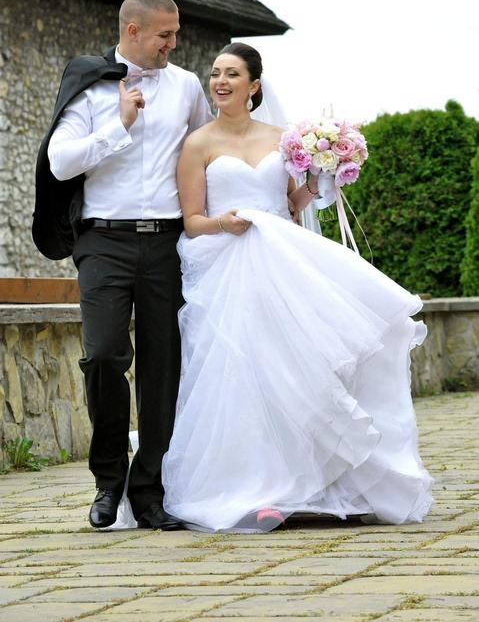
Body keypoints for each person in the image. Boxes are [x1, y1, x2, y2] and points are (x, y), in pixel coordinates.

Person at [156, 42, 433, 532]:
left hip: (283, 262)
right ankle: (259, 488)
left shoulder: (282, 139)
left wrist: (323, 176)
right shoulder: (198, 144)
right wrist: (223, 222)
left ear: (253, 85)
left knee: (302, 367)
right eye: (215, 73)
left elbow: (291, 204)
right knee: (247, 373)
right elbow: (192, 221)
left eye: (232, 74)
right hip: (228, 267)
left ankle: (322, 484)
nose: (220, 82)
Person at [39, 0, 213, 530]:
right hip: (103, 241)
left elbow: (207, 153)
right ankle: (108, 481)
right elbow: (60, 161)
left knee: (164, 366)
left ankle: (150, 489)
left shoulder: (186, 87)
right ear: (133, 31)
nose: (173, 43)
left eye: (175, 34)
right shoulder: (91, 84)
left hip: (167, 242)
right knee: (103, 356)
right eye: (165, 34)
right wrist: (118, 127)